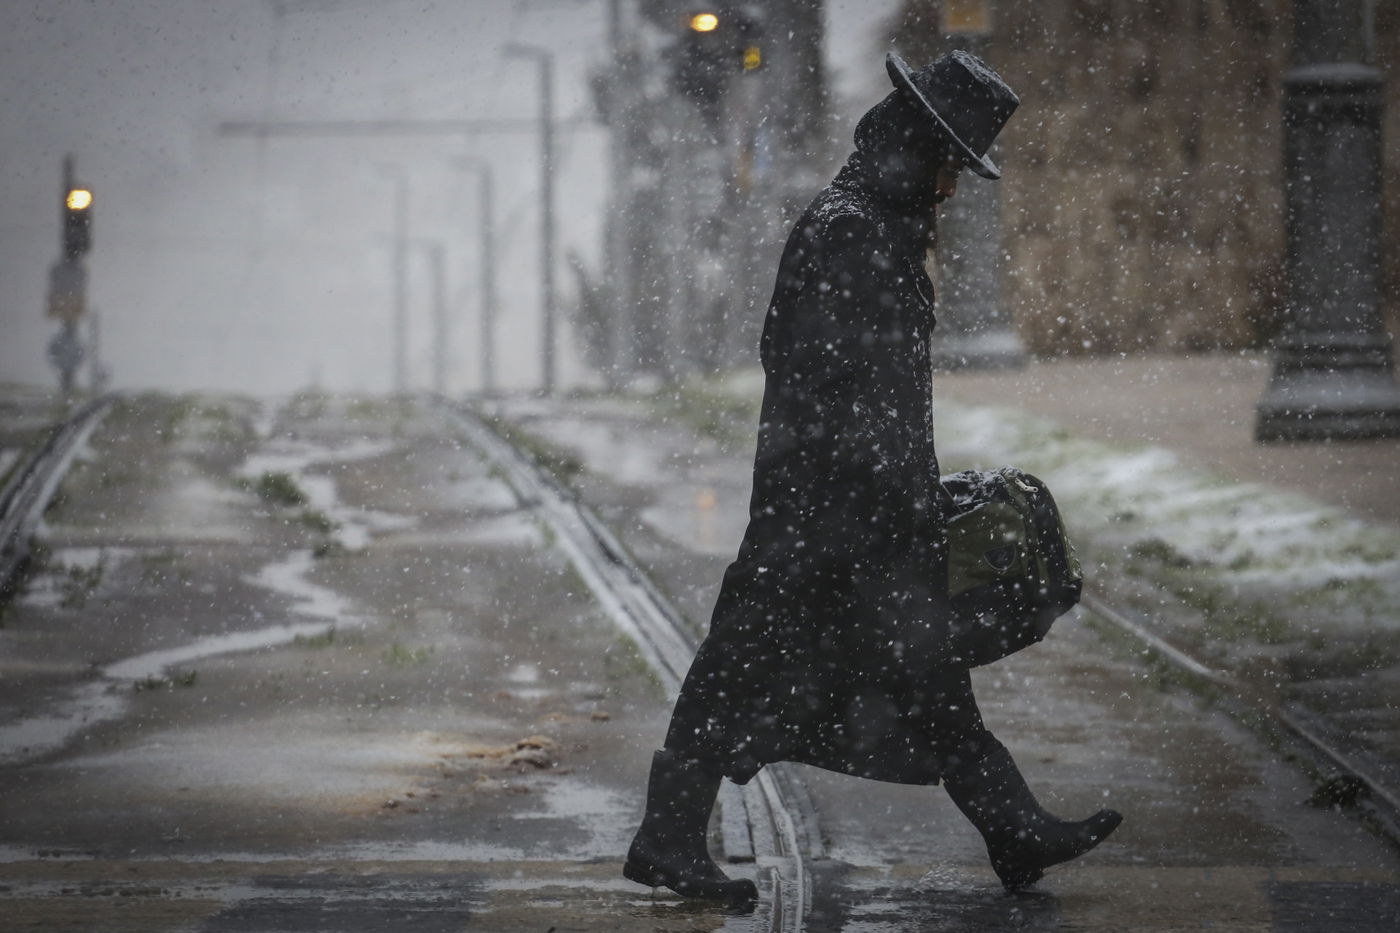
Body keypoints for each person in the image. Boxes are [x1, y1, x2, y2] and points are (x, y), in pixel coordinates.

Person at [623, 51, 1122, 907]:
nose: (953, 190)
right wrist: (878, 497)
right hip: (827, 509)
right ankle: (669, 836)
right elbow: (836, 383)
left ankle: (1013, 827)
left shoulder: (868, 224)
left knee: (909, 669)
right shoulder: (851, 230)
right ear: (916, 150)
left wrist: (906, 495)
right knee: (751, 661)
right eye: (950, 167)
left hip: (850, 504)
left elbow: (869, 391)